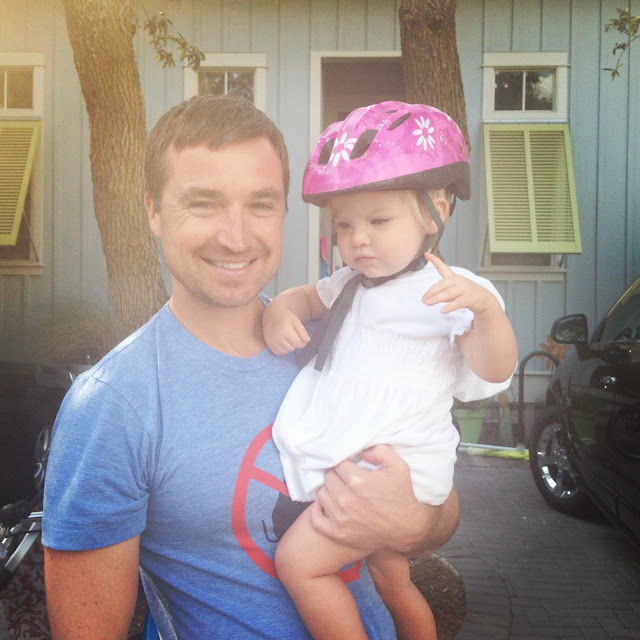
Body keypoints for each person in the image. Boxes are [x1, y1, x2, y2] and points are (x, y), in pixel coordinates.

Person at [41, 95, 462, 640]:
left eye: (261, 204)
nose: (236, 237)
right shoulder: (114, 405)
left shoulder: (343, 340)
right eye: (203, 203)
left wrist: (415, 522)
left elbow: (441, 501)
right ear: (152, 211)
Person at [263, 101, 518, 640]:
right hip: (368, 460)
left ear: (434, 213)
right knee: (394, 583)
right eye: (344, 224)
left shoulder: (448, 292)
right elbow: (304, 297)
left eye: (379, 220)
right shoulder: (350, 283)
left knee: (299, 564)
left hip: (396, 470)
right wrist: (280, 310)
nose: (358, 238)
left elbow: (495, 370)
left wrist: (486, 313)